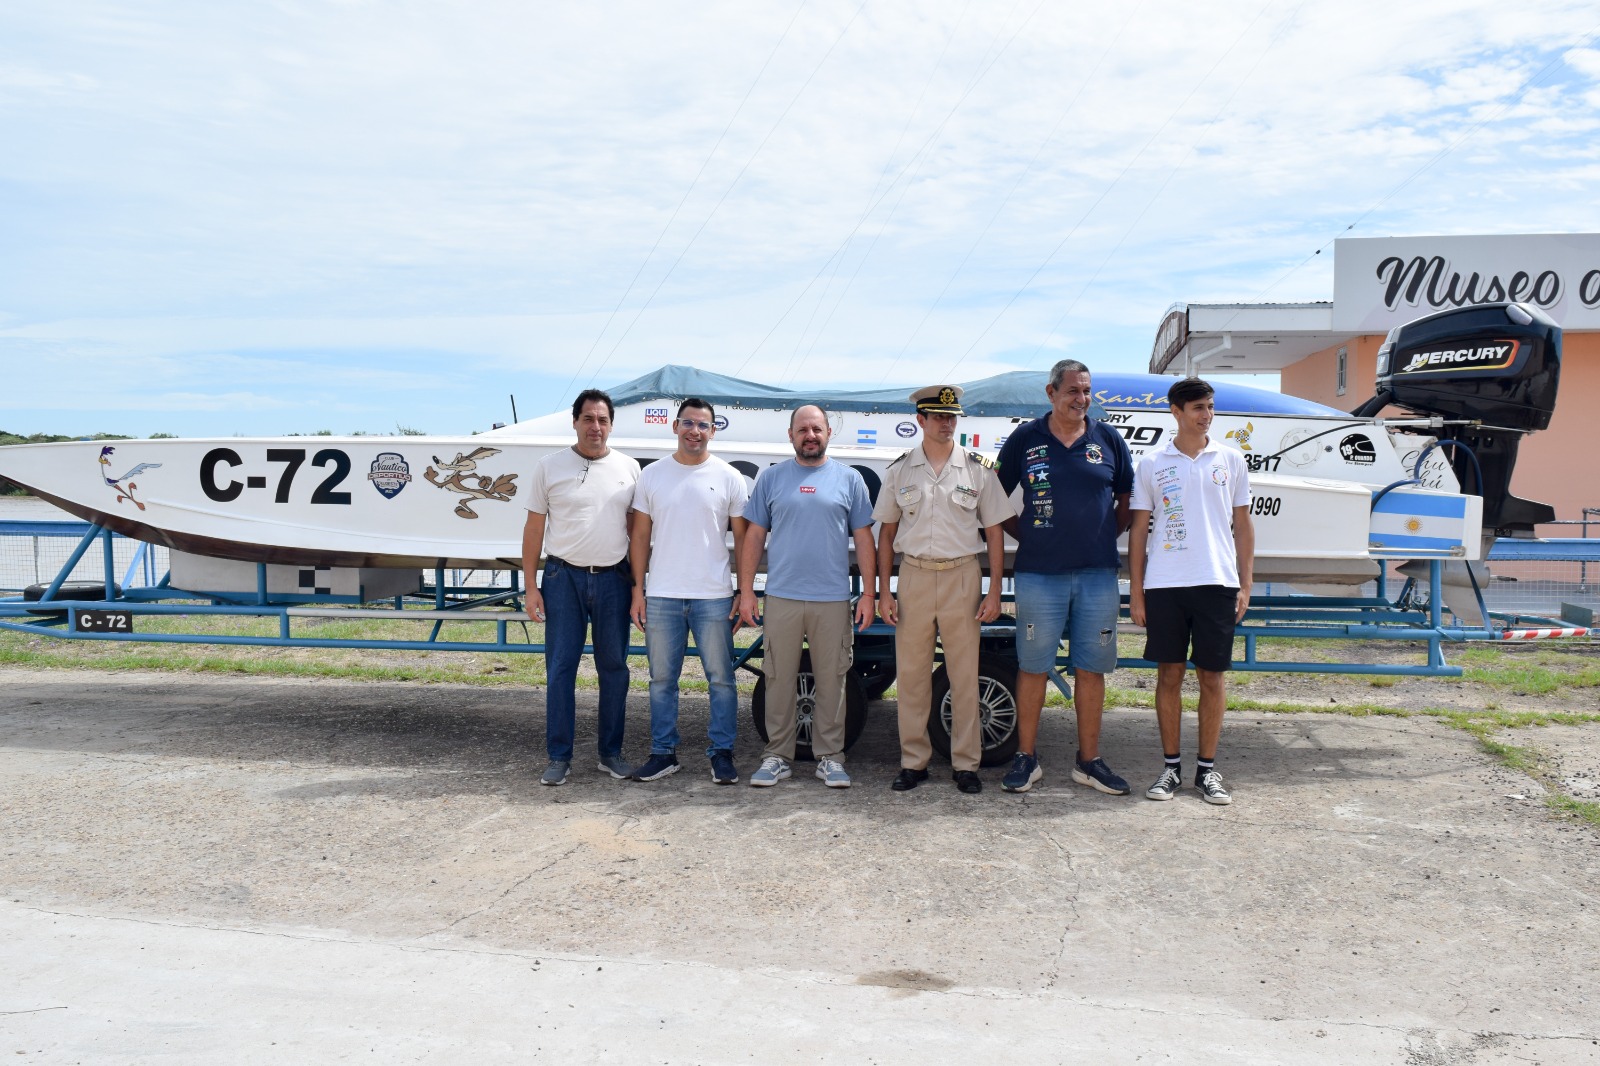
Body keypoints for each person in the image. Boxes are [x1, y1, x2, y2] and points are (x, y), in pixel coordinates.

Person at [995, 359, 1133, 795]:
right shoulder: (1025, 438)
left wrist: (1105, 533)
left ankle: (1089, 762)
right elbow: (995, 498)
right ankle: (1026, 758)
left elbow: (1127, 496)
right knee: (1033, 667)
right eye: (1073, 391)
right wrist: (1029, 536)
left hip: (1097, 574)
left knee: (1091, 669)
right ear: (1051, 393)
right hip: (1039, 573)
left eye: (1087, 391)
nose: (1082, 399)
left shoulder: (1107, 437)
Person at [874, 385, 1010, 794]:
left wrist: (994, 590)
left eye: (952, 417)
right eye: (938, 417)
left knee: (964, 673)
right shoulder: (900, 470)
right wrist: (884, 591)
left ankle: (965, 763)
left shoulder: (977, 468)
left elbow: (995, 532)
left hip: (962, 577)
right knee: (913, 674)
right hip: (914, 576)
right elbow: (886, 534)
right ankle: (914, 762)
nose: (946, 424)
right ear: (921, 420)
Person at [1128, 377, 1254, 805]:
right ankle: (1169, 770)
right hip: (1165, 583)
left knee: (1212, 677)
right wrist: (1138, 593)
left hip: (1218, 581)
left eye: (1210, 407)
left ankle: (1206, 771)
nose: (1207, 415)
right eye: (1198, 408)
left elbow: (1244, 525)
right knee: (1169, 675)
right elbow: (1139, 532)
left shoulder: (1231, 459)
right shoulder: (1151, 463)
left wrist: (1245, 582)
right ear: (1176, 412)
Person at [736, 404, 876, 789]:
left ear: (829, 432)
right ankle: (777, 755)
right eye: (803, 429)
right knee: (778, 676)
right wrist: (747, 591)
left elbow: (864, 539)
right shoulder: (772, 478)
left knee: (833, 678)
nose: (810, 435)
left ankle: (830, 757)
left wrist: (869, 594)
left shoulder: (850, 480)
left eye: (816, 428)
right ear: (791, 434)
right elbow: (754, 537)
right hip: (781, 595)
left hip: (832, 598)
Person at [627, 398, 750, 785]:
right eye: (687, 423)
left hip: (713, 595)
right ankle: (663, 753)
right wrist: (638, 591)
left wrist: (743, 592)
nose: (694, 430)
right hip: (662, 594)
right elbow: (640, 537)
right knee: (662, 680)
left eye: (702, 424)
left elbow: (745, 541)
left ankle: (722, 753)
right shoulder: (652, 476)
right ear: (674, 427)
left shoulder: (730, 477)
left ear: (713, 430)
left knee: (721, 679)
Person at [521, 389, 640, 787]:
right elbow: (534, 527)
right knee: (560, 670)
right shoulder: (549, 467)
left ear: (611, 425)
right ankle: (559, 756)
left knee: (615, 669)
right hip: (562, 579)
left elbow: (637, 532)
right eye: (588, 419)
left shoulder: (629, 468)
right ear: (574, 422)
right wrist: (530, 586)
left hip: (613, 579)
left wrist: (639, 585)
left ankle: (610, 753)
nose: (596, 427)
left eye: (603, 420)